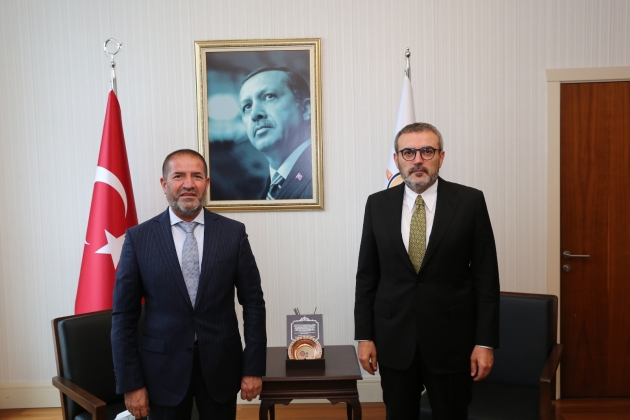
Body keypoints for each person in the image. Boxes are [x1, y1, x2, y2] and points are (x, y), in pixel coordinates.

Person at [354, 123, 500, 419]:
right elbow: (367, 276)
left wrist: (484, 342)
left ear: (441, 157)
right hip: (394, 340)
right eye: (408, 152)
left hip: (452, 342)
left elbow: (486, 279)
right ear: (397, 159)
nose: (418, 160)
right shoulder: (377, 204)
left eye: (427, 151)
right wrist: (364, 336)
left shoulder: (470, 202)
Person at [111, 149, 267, 420]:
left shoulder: (233, 233)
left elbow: (253, 303)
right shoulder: (139, 238)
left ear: (206, 183)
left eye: (196, 176)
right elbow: (124, 316)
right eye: (178, 176)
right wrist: (131, 382)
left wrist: (253, 367)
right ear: (164, 184)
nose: (188, 184)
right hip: (161, 371)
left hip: (221, 366)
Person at [239, 67, 313, 200]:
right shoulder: (267, 192)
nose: (254, 114)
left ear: (305, 109)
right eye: (247, 106)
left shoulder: (325, 177)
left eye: (269, 97)